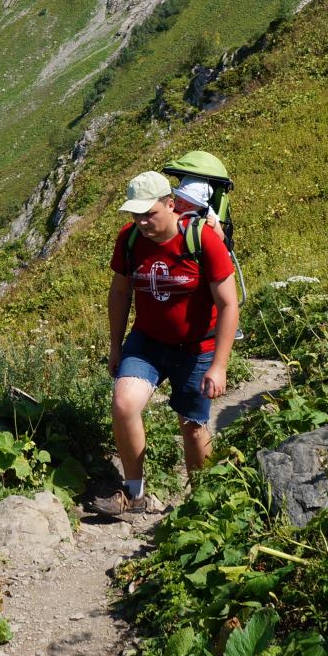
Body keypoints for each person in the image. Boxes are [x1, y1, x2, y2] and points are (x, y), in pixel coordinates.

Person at [94, 171, 240, 517]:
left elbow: (228, 304)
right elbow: (119, 292)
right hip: (148, 342)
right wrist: (116, 346)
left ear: (170, 204)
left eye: (150, 213)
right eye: (136, 214)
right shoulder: (130, 239)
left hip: (197, 348)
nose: (142, 221)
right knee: (124, 404)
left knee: (192, 427)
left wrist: (219, 365)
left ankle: (200, 504)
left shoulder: (202, 240)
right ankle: (134, 494)